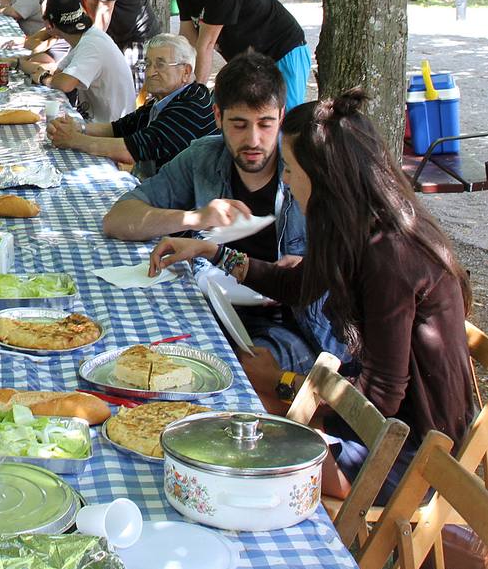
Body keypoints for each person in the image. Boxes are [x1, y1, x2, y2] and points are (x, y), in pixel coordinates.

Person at [149, 90, 475, 501]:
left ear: (323, 177)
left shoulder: (389, 256)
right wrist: (211, 250)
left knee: (250, 452)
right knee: (240, 410)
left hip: (411, 449)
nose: (284, 178)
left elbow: (382, 398)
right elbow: (296, 286)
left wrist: (287, 385)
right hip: (377, 422)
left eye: (291, 169)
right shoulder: (354, 228)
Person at [102, 52, 341, 374]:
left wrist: (313, 269)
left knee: (245, 368)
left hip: (294, 321)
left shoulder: (308, 166)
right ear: (218, 116)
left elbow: (360, 255)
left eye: (265, 124)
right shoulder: (204, 157)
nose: (253, 140)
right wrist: (194, 217)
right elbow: (117, 219)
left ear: (282, 117)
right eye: (239, 125)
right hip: (209, 307)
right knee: (135, 347)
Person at [165, 0, 311, 109]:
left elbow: (205, 45)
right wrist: (182, 80)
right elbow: (188, 37)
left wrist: (195, 96)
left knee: (283, 121)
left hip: (284, 51)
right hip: (250, 62)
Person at [48, 33, 216, 178]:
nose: (150, 73)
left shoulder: (191, 106)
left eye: (160, 65)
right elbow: (119, 128)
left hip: (189, 201)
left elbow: (131, 150)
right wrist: (79, 128)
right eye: (148, 64)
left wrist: (75, 140)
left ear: (186, 71)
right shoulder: (167, 99)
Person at [28, 0, 135, 124]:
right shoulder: (87, 37)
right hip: (97, 122)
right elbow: (58, 72)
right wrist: (19, 63)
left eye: (43, 18)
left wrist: (43, 77)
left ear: (50, 25)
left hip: (111, 130)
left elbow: (65, 84)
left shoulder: (91, 44)